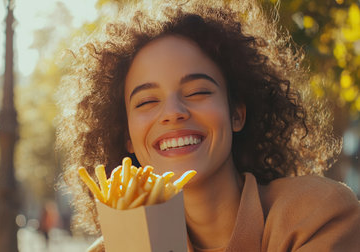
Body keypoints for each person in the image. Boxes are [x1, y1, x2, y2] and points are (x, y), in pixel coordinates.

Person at [56, 0, 360, 251]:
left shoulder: (316, 214)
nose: (173, 113)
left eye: (198, 92)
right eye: (147, 101)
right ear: (128, 139)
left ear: (237, 114)